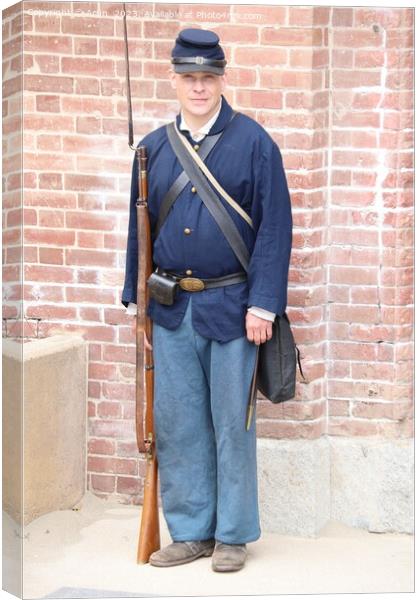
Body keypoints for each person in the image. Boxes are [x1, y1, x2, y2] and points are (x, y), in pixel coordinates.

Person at [121, 28, 292, 572]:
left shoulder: (255, 143)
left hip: (234, 309)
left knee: (231, 423)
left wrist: (263, 304)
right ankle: (191, 531)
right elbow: (139, 230)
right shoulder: (151, 148)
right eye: (189, 78)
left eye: (208, 77)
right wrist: (136, 302)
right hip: (171, 308)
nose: (199, 87)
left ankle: (233, 535)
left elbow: (274, 230)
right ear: (175, 81)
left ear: (222, 79)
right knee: (179, 423)